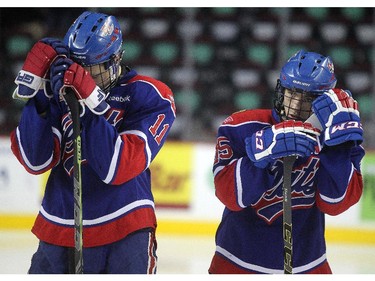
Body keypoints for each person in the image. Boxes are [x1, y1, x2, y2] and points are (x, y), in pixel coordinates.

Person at [10, 11, 176, 274]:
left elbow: (117, 168)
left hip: (125, 229)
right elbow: (34, 161)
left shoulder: (149, 95)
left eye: (92, 70)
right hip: (60, 225)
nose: (83, 74)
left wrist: (88, 103)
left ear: (115, 59)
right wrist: (40, 95)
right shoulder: (61, 89)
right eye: (78, 66)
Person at [208, 50, 364, 274]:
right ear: (281, 90)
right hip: (235, 262)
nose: (297, 104)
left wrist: (338, 150)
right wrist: (261, 155)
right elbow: (229, 196)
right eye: (293, 93)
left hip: (308, 265)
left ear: (325, 99)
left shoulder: (335, 132)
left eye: (309, 98)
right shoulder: (240, 126)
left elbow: (335, 203)